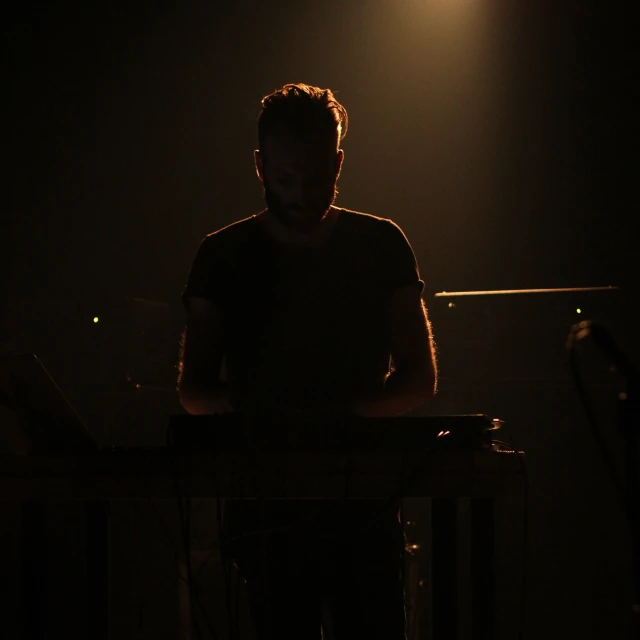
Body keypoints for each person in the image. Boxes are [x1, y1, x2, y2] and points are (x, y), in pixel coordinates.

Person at [178, 83, 437, 640]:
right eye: (285, 179)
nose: (299, 195)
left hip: (355, 502)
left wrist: (291, 410)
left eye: (315, 179)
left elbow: (420, 378)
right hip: (280, 502)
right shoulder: (222, 255)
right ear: (259, 166)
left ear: (338, 161)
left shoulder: (381, 244)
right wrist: (342, 410)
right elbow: (193, 391)